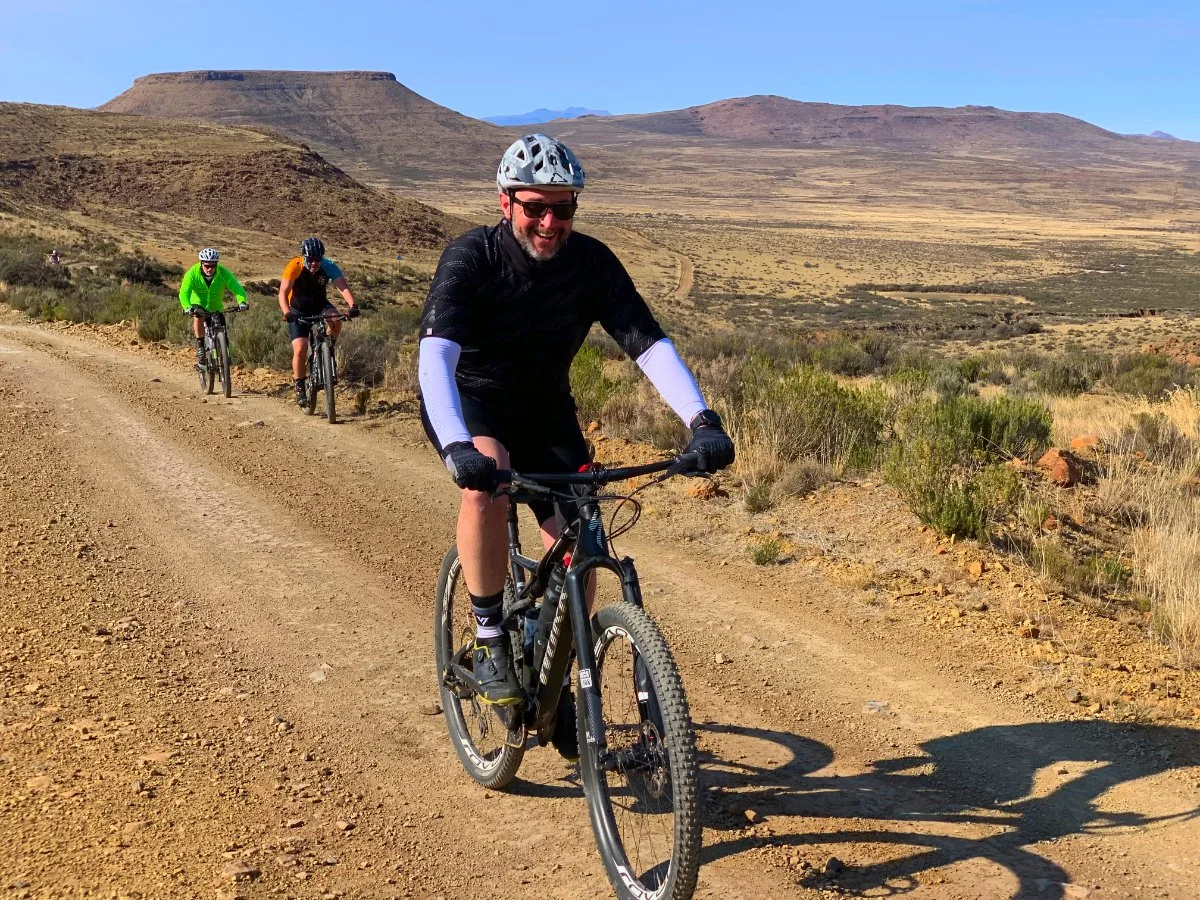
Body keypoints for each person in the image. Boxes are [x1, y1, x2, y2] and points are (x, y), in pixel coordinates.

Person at [416, 133, 735, 742]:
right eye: (536, 206)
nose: (549, 221)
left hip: (546, 411)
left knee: (582, 534)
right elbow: (435, 358)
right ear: (506, 202)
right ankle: (488, 640)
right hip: (471, 401)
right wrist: (458, 444)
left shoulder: (591, 263)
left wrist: (702, 420)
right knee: (487, 484)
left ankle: (561, 670)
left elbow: (648, 344)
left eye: (563, 208)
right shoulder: (471, 258)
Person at [278, 237, 359, 407]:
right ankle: (300, 385)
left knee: (336, 319)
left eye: (318, 259)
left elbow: (342, 286)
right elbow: (283, 292)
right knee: (300, 348)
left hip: (319, 305)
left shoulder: (328, 265)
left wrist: (352, 305)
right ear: (304, 257)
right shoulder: (294, 266)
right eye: (311, 259)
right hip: (297, 309)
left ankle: (328, 347)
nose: (315, 263)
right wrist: (287, 312)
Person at [179, 248, 248, 367]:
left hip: (216, 306)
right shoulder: (192, 273)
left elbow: (237, 288)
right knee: (198, 317)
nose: (209, 269)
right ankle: (201, 346)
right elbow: (184, 293)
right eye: (206, 266)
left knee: (222, 329)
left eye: (212, 265)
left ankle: (225, 356)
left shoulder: (223, 272)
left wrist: (242, 301)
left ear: (216, 264)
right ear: (201, 263)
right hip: (198, 303)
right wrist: (187, 307)